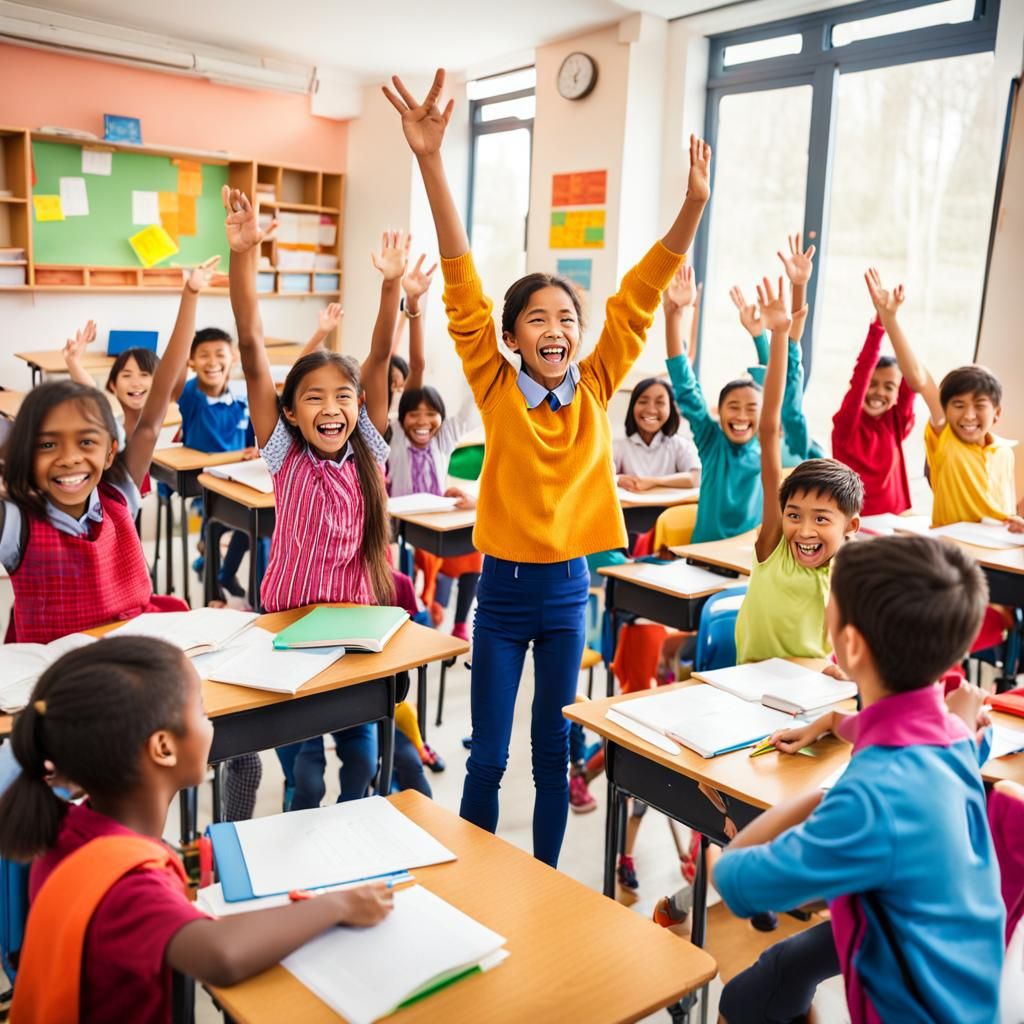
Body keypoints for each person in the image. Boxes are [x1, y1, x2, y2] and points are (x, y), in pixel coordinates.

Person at [384, 67, 711, 867]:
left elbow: (636, 299)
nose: (557, 327)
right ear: (515, 333)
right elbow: (460, 284)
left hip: (569, 592)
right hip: (500, 596)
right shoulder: (496, 385)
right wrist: (431, 161)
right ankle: (477, 884)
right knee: (489, 757)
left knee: (552, 756)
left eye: (568, 317)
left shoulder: (598, 383)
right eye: (540, 318)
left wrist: (693, 207)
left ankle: (544, 885)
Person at [0, 637, 392, 1024]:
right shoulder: (128, 886)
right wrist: (337, 905)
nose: (211, 722)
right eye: (202, 710)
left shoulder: (70, 829)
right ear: (163, 748)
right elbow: (222, 956)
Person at [715, 534, 1004, 1023]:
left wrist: (818, 798)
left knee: (746, 996)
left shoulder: (868, 803)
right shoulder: (957, 736)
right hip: (960, 977)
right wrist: (836, 724)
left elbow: (735, 878)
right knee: (771, 979)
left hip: (910, 1007)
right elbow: (945, 735)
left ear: (848, 644)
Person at [225, 187, 400, 816]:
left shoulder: (370, 456)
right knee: (305, 773)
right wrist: (242, 255)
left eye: (343, 396)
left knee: (360, 764)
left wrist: (390, 289)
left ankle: (346, 845)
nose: (332, 409)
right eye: (315, 398)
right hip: (291, 633)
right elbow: (250, 346)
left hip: (356, 634)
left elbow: (380, 357)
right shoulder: (286, 456)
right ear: (292, 415)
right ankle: (297, 852)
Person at [0, 260, 219, 643]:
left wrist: (191, 294)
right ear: (25, 454)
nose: (69, 457)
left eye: (86, 442)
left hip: (133, 658)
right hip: (58, 678)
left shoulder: (119, 490)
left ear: (110, 450)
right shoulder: (16, 519)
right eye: (48, 444)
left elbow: (152, 415)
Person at [734, 275, 863, 666]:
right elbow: (770, 429)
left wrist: (850, 675)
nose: (804, 531)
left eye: (821, 519)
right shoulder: (775, 546)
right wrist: (779, 336)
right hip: (746, 694)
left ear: (850, 527)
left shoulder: (850, 571)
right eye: (794, 515)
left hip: (813, 697)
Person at [831, 269, 932, 515]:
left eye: (889, 387)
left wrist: (892, 318)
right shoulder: (847, 424)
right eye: (871, 384)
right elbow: (862, 371)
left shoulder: (896, 421)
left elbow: (913, 379)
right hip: (855, 523)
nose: (877, 392)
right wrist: (879, 322)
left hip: (896, 521)